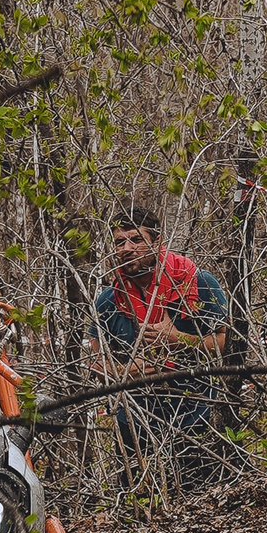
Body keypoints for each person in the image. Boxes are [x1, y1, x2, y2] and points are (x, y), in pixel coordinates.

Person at [94, 206, 228, 485]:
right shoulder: (109, 300)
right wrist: (131, 371)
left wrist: (176, 339)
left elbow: (224, 343)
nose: (127, 249)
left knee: (200, 490)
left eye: (136, 239)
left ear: (157, 242)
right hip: (135, 420)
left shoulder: (197, 281)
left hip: (195, 412)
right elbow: (95, 363)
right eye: (120, 242)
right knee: (139, 498)